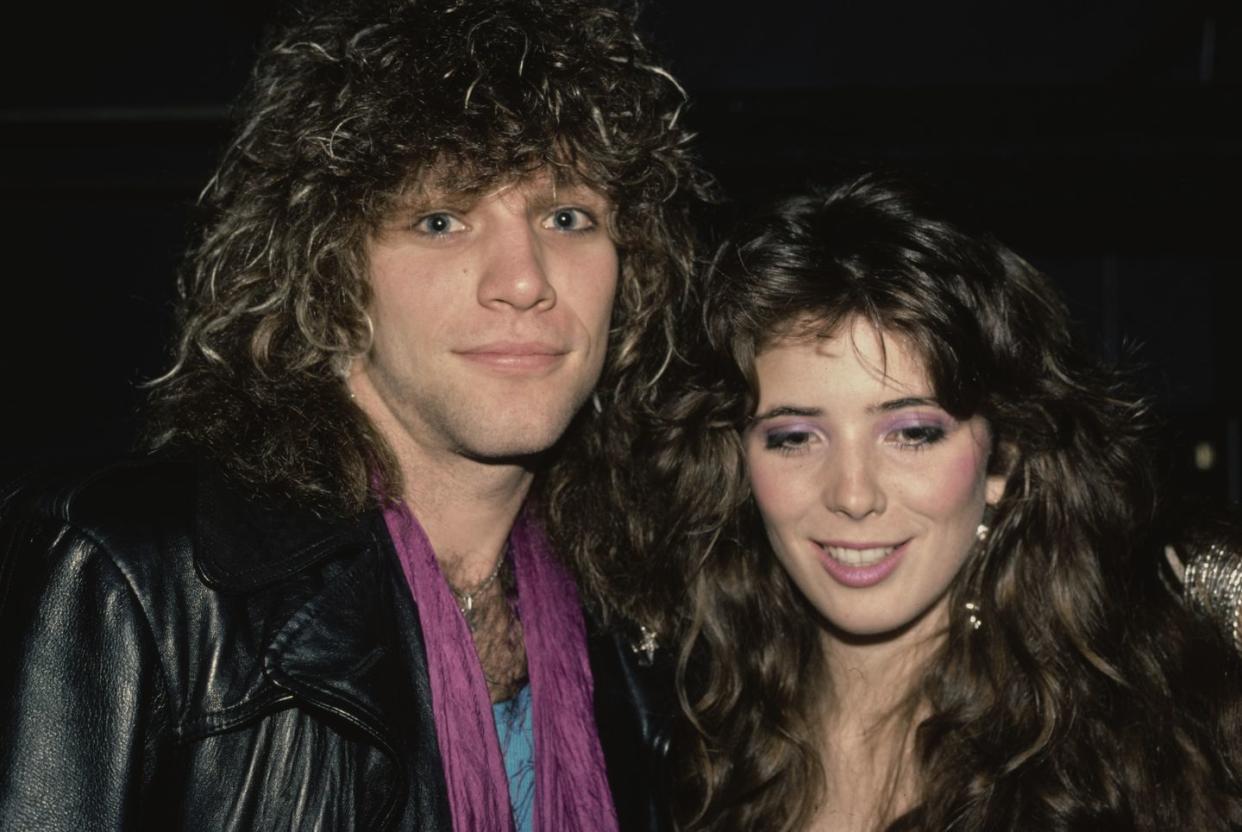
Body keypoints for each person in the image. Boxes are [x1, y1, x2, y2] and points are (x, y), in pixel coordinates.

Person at [0, 0, 711, 829]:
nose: (524, 280)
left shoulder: (640, 621)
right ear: (328, 272)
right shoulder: (132, 577)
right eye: (441, 220)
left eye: (567, 217)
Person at [656, 175, 1242, 831]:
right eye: (795, 437)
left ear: (1003, 460)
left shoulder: (1140, 756)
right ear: (737, 461)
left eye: (911, 433)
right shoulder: (673, 742)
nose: (853, 495)